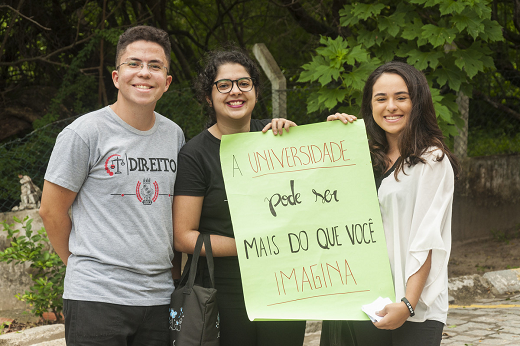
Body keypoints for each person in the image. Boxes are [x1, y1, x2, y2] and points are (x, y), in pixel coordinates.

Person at [39, 26, 184, 346]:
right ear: (117, 77)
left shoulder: (175, 135)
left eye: (155, 66)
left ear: (167, 82)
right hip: (97, 299)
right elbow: (51, 212)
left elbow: (171, 215)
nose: (144, 73)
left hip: (159, 300)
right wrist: (84, 267)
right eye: (134, 63)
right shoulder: (84, 133)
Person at [173, 48, 307, 346]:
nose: (235, 91)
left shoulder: (277, 138)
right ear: (209, 97)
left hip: (286, 286)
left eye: (244, 83)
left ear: (256, 91)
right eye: (224, 85)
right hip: (224, 294)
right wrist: (253, 246)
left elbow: (312, 200)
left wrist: (308, 139)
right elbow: (183, 237)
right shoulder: (195, 155)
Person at [322, 61, 460, 346]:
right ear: (370, 106)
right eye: (381, 98)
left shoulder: (431, 161)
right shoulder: (362, 156)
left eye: (401, 97)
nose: (391, 106)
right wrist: (334, 143)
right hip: (363, 299)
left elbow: (427, 239)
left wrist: (407, 304)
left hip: (414, 307)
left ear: (417, 102)